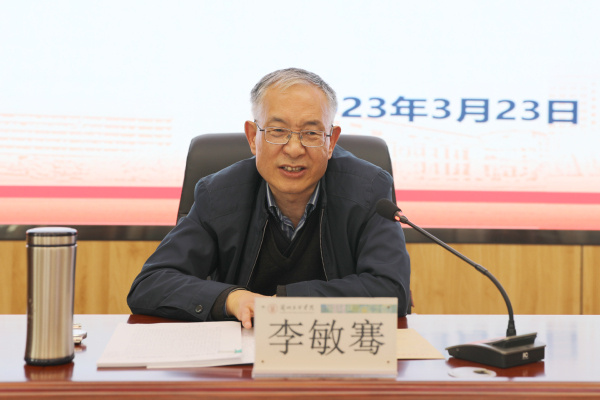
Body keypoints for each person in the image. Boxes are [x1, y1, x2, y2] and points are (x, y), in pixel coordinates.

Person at [127, 68, 411, 328]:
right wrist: (232, 299)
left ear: (331, 141)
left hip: (336, 350)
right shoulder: (218, 195)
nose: (294, 149)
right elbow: (151, 284)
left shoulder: (368, 190)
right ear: (253, 137)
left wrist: (285, 303)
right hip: (242, 357)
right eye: (278, 131)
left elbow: (391, 290)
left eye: (311, 133)